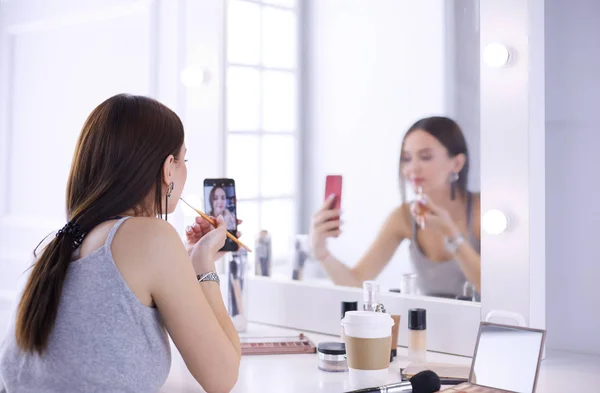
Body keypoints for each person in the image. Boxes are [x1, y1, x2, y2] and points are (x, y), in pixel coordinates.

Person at [0, 94, 241, 392]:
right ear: (168, 168)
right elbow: (222, 376)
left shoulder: (53, 247)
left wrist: (188, 261)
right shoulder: (152, 238)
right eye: (184, 159)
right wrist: (202, 260)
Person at [310, 116, 481, 298]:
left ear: (457, 163)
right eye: (406, 159)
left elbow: (490, 287)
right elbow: (356, 282)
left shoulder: (481, 211)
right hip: (426, 324)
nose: (412, 168)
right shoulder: (403, 218)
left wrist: (451, 234)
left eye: (425, 157)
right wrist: (321, 252)